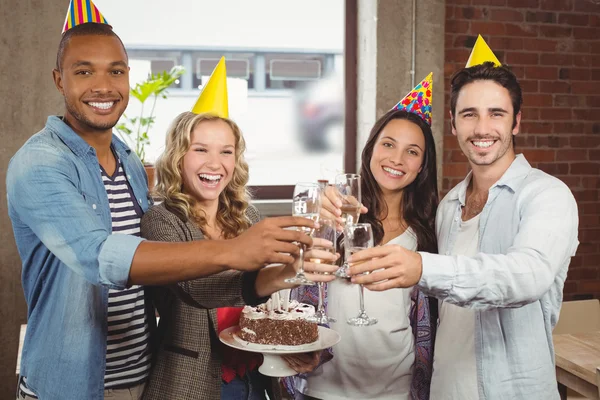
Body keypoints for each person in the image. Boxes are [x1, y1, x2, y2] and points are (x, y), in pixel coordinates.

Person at [7, 20, 313, 400]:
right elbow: (101, 257)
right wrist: (236, 250)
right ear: (59, 79)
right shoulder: (41, 164)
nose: (103, 85)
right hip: (72, 383)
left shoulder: (128, 160)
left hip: (140, 374)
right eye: (84, 71)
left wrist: (283, 270)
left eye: (115, 71)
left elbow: (181, 287)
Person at [348, 58, 579, 398]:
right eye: (469, 114)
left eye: (496, 113)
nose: (482, 128)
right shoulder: (448, 206)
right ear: (454, 124)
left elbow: (528, 276)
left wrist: (422, 267)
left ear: (516, 122)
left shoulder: (546, 194)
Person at [140, 83, 337, 399]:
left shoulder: (250, 220)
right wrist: (286, 271)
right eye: (200, 149)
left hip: (255, 380)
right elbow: (196, 287)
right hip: (190, 382)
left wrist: (291, 349)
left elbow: (269, 310)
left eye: (226, 151)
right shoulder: (162, 221)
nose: (215, 164)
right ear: (178, 157)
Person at [287, 74, 438, 400]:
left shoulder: (427, 234)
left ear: (422, 166)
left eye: (412, 151)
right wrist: (317, 217)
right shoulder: (337, 216)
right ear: (370, 149)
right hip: (323, 387)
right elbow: (295, 283)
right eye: (388, 144)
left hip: (394, 389)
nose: (397, 159)